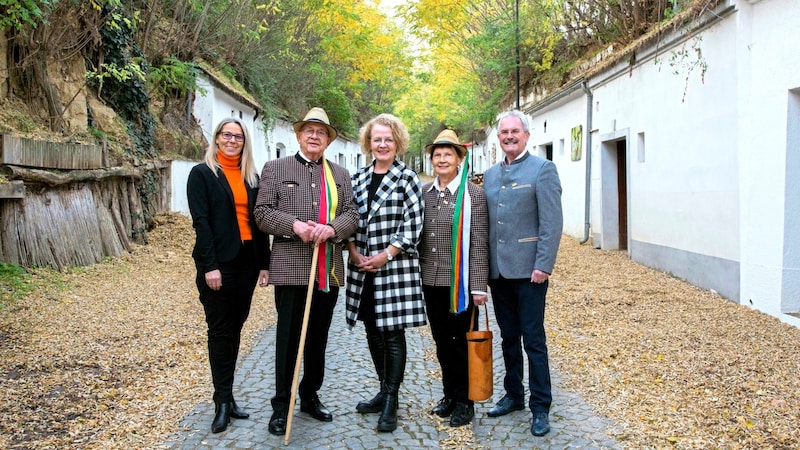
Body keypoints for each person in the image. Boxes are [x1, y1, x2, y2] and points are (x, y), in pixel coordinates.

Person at [254, 107, 358, 436]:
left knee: (317, 339)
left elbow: (353, 214)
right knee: (287, 339)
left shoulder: (340, 175)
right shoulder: (275, 168)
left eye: (321, 132)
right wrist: (294, 225)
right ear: (298, 135)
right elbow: (262, 213)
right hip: (289, 268)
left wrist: (333, 228)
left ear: (328, 140)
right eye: (309, 131)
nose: (315, 136)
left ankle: (310, 395)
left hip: (327, 269)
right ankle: (281, 405)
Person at [187, 117, 271, 434]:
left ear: (244, 141)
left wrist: (265, 263)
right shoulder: (202, 174)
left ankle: (228, 395)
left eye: (238, 136)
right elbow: (201, 223)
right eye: (227, 135)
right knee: (220, 332)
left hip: (247, 264)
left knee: (236, 329)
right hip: (218, 265)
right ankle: (221, 402)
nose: (232, 140)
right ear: (218, 139)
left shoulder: (252, 176)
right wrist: (210, 266)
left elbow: (259, 223)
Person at [483, 110, 563, 437]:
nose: (510, 136)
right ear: (499, 138)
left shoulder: (543, 170)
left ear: (527, 136)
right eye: (504, 132)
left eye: (515, 131)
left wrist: (543, 264)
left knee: (534, 339)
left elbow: (552, 223)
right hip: (498, 272)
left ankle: (541, 404)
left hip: (530, 271)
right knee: (508, 337)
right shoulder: (488, 175)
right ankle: (514, 394)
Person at [345, 113, 426, 433]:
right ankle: (382, 389)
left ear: (398, 143)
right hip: (362, 268)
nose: (382, 144)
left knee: (392, 333)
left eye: (388, 139)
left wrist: (386, 254)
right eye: (377, 139)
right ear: (368, 142)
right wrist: (352, 251)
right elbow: (348, 217)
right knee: (372, 330)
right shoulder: (358, 178)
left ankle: (392, 398)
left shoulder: (407, 178)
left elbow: (414, 224)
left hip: (394, 267)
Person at [419, 129, 489, 428]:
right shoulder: (425, 193)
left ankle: (465, 400)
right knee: (441, 341)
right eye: (438, 154)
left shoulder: (473, 194)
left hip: (459, 284)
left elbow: (479, 243)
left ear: (460, 158)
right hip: (430, 281)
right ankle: (449, 394)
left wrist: (477, 285)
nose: (442, 159)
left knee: (460, 342)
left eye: (449, 154)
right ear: (431, 159)